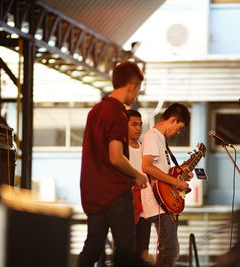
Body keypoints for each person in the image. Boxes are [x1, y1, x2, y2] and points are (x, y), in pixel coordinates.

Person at [78, 61, 148, 267]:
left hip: (93, 192)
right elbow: (115, 157)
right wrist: (137, 174)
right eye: (138, 90)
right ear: (131, 87)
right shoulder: (117, 114)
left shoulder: (96, 111)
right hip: (115, 193)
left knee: (93, 247)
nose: (136, 95)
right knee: (126, 248)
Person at [141, 103, 191, 267]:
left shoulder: (160, 138)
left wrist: (179, 174)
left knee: (169, 250)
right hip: (158, 202)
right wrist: (176, 181)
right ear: (173, 120)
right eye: (179, 127)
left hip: (164, 201)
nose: (178, 132)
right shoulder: (152, 136)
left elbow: (162, 171)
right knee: (169, 251)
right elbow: (147, 166)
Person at [127, 109, 153, 266]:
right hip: (126, 210)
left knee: (143, 253)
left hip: (145, 210)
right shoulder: (120, 150)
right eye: (134, 124)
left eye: (140, 125)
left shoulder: (146, 149)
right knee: (125, 252)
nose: (138, 128)